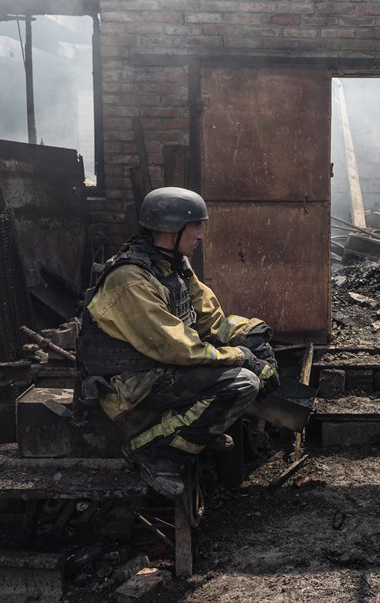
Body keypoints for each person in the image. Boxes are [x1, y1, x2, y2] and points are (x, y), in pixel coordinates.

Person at [77, 187, 280, 499]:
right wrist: (242, 358)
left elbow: (212, 322)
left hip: (161, 371)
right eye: (196, 226)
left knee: (244, 365)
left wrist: (252, 338)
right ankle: (154, 451)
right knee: (241, 384)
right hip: (130, 386)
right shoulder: (130, 280)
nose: (200, 235)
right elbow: (178, 347)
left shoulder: (174, 267)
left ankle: (194, 432)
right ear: (171, 229)